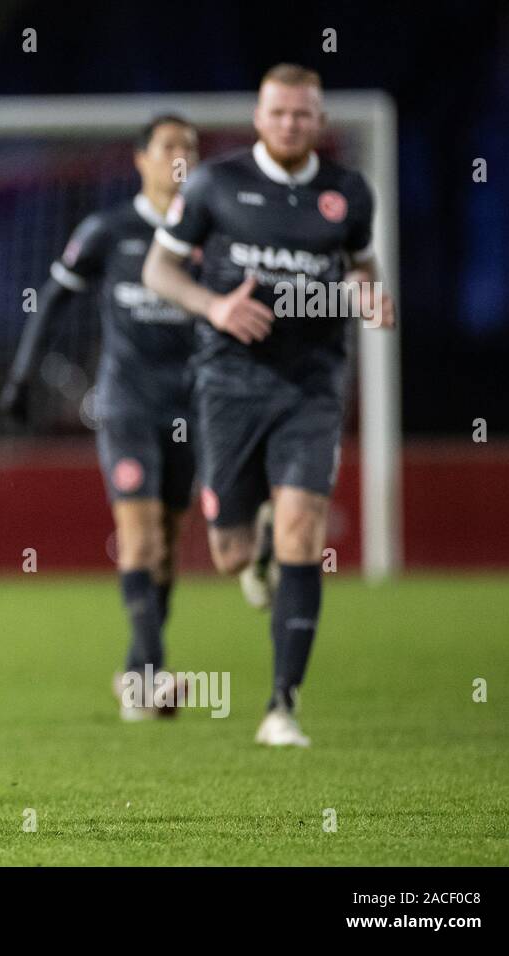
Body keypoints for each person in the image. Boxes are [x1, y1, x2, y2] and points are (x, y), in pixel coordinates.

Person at [142, 64, 396, 746]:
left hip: (312, 385)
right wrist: (214, 304)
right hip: (227, 385)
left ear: (319, 121)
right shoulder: (213, 184)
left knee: (303, 530)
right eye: (278, 112)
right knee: (227, 555)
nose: (290, 123)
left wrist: (368, 292)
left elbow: (362, 265)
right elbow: (159, 270)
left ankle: (281, 707)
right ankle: (249, 553)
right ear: (258, 117)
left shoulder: (348, 193)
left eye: (303, 114)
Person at [1, 116, 200, 719]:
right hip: (126, 404)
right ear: (141, 159)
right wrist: (20, 376)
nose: (181, 157)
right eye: (169, 147)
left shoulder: (210, 234)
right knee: (138, 536)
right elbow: (55, 298)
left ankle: (134, 674)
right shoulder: (109, 230)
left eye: (190, 148)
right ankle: (149, 675)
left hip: (190, 409)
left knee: (166, 546)